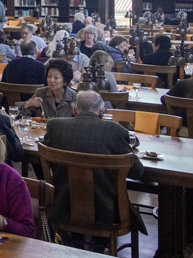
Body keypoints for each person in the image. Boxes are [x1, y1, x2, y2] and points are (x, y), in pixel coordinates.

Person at [41, 91, 145, 244]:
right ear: (102, 111)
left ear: (74, 109)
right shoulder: (116, 131)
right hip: (107, 212)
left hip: (62, 206)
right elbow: (137, 172)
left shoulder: (55, 126)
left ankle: (74, 242)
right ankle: (99, 246)